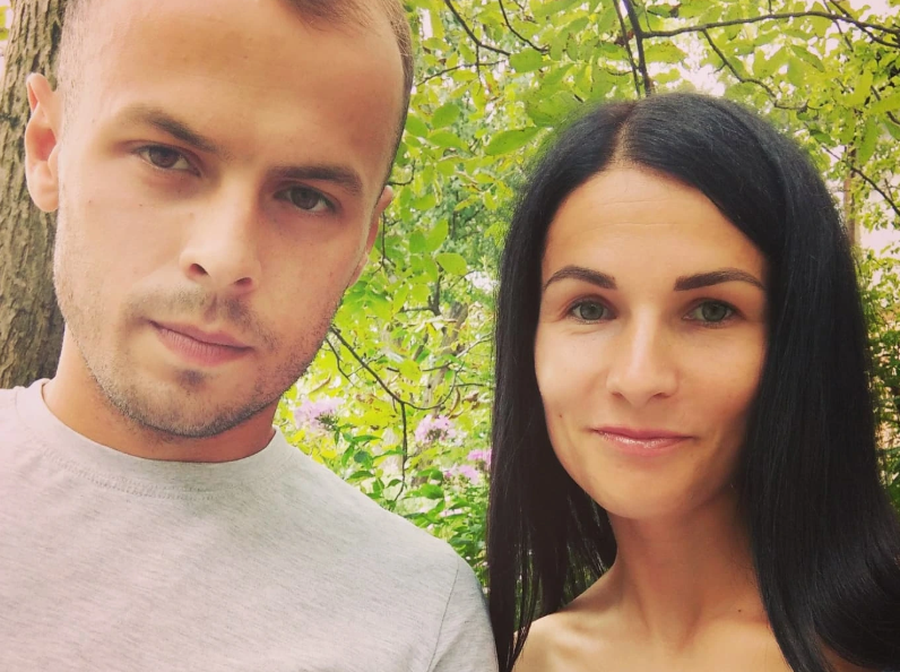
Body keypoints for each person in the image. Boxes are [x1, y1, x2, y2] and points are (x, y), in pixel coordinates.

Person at [0, 0, 498, 670]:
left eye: (305, 197)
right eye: (166, 157)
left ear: (364, 240)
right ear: (48, 151)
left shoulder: (422, 617)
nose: (226, 256)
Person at [486, 93, 900, 672]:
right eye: (589, 308)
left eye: (711, 311)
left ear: (800, 341)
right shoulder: (516, 659)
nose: (639, 378)